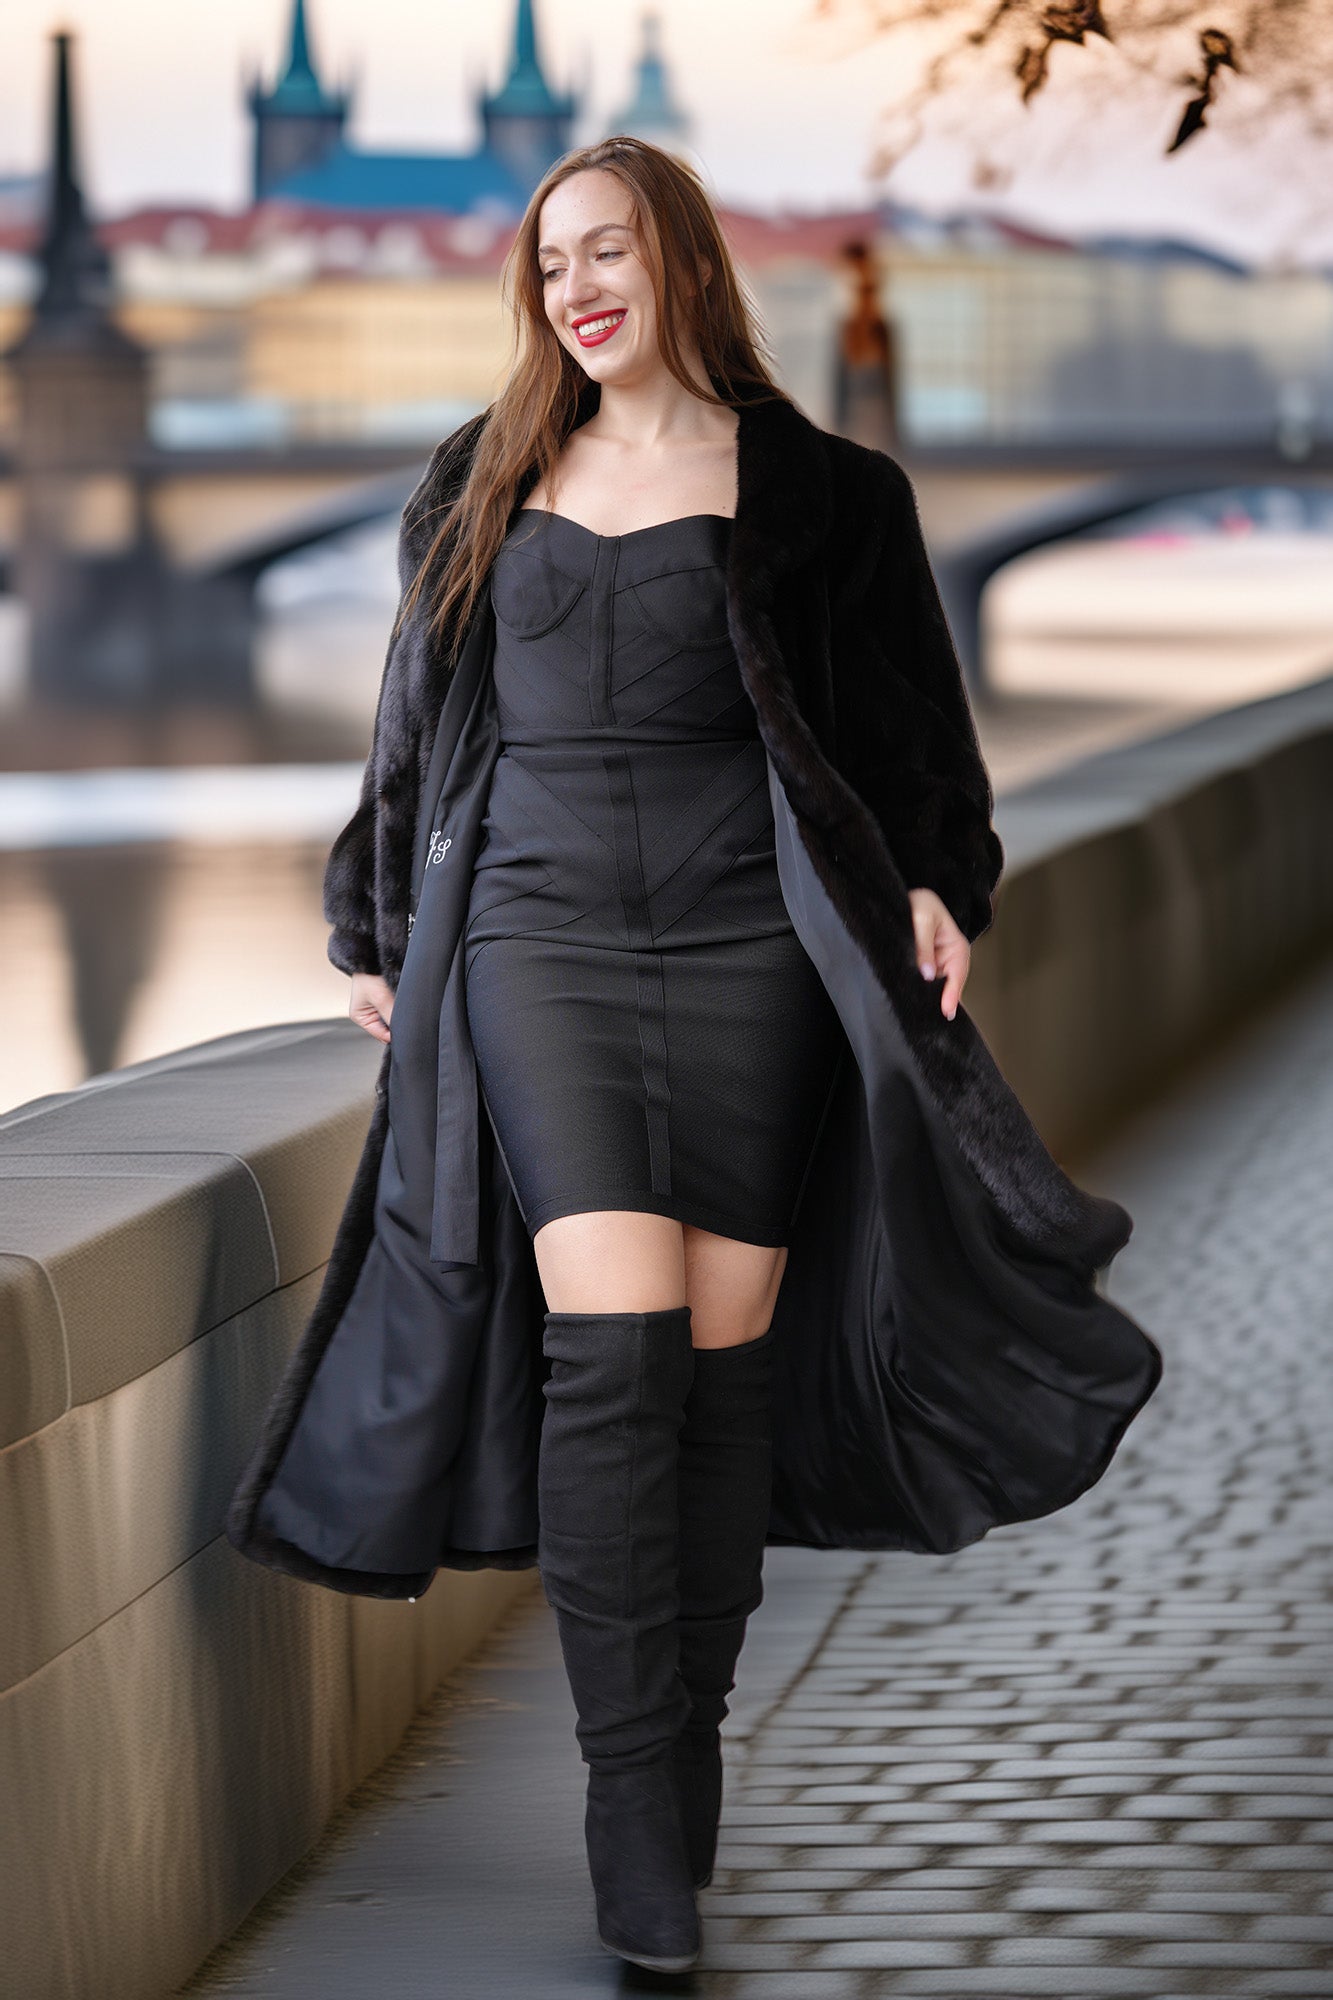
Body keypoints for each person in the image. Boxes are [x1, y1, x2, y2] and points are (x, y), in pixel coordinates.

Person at [227, 135, 1161, 1979]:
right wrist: (373, 927)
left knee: (714, 1393)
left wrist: (933, 885)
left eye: (612, 251)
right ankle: (630, 1803)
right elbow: (410, 733)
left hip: (752, 957)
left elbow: (914, 744)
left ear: (685, 266)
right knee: (610, 1361)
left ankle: (687, 1740)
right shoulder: (476, 479)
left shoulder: (826, 497)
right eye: (553, 259)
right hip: (538, 949)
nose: (579, 287)